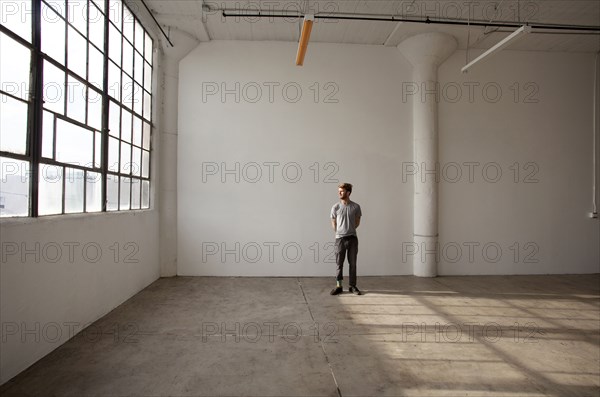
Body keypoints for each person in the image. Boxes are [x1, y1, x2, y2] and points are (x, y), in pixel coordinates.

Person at [330, 183, 362, 295]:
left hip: (352, 239)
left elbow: (357, 222)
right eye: (339, 191)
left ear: (348, 193)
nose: (339, 193)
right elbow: (333, 223)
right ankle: (339, 286)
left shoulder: (356, 207)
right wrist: (340, 232)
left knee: (353, 264)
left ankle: (352, 286)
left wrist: (349, 229)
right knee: (339, 264)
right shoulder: (335, 207)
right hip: (340, 239)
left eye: (342, 191)